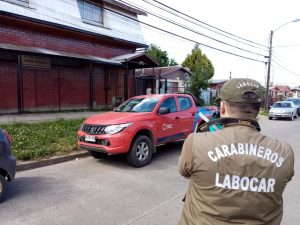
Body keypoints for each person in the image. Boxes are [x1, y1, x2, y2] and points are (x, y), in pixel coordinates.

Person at [177, 78, 294, 225]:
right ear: (257, 110)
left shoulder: (196, 142)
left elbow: (185, 172)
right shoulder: (285, 152)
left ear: (223, 107)